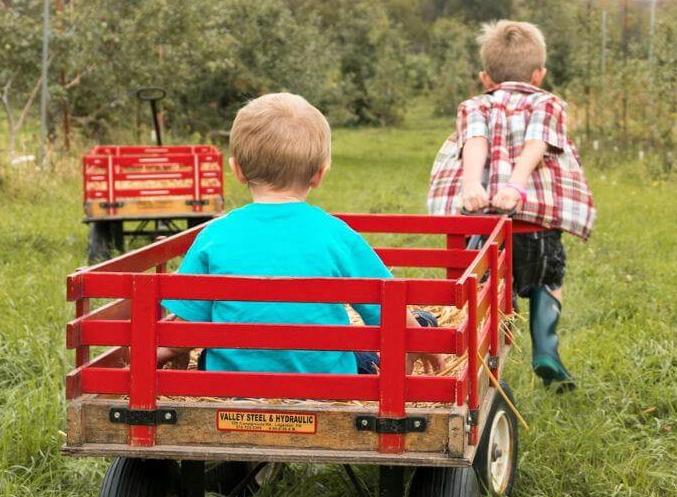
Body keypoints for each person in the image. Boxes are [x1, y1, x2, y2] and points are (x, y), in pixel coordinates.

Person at [161, 92, 440, 375]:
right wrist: (417, 339)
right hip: (329, 387)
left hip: (230, 388)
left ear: (237, 170)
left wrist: (165, 352)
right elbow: (386, 304)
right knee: (411, 326)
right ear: (319, 174)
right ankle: (424, 320)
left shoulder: (214, 235)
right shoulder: (336, 235)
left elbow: (184, 330)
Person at [427, 20, 596, 391]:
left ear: (486, 77)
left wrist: (473, 185)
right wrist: (517, 189)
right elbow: (537, 143)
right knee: (547, 280)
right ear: (539, 74)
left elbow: (475, 141)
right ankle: (546, 349)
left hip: (486, 227)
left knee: (484, 289)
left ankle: (480, 360)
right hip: (536, 227)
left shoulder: (474, 105)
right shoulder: (549, 102)